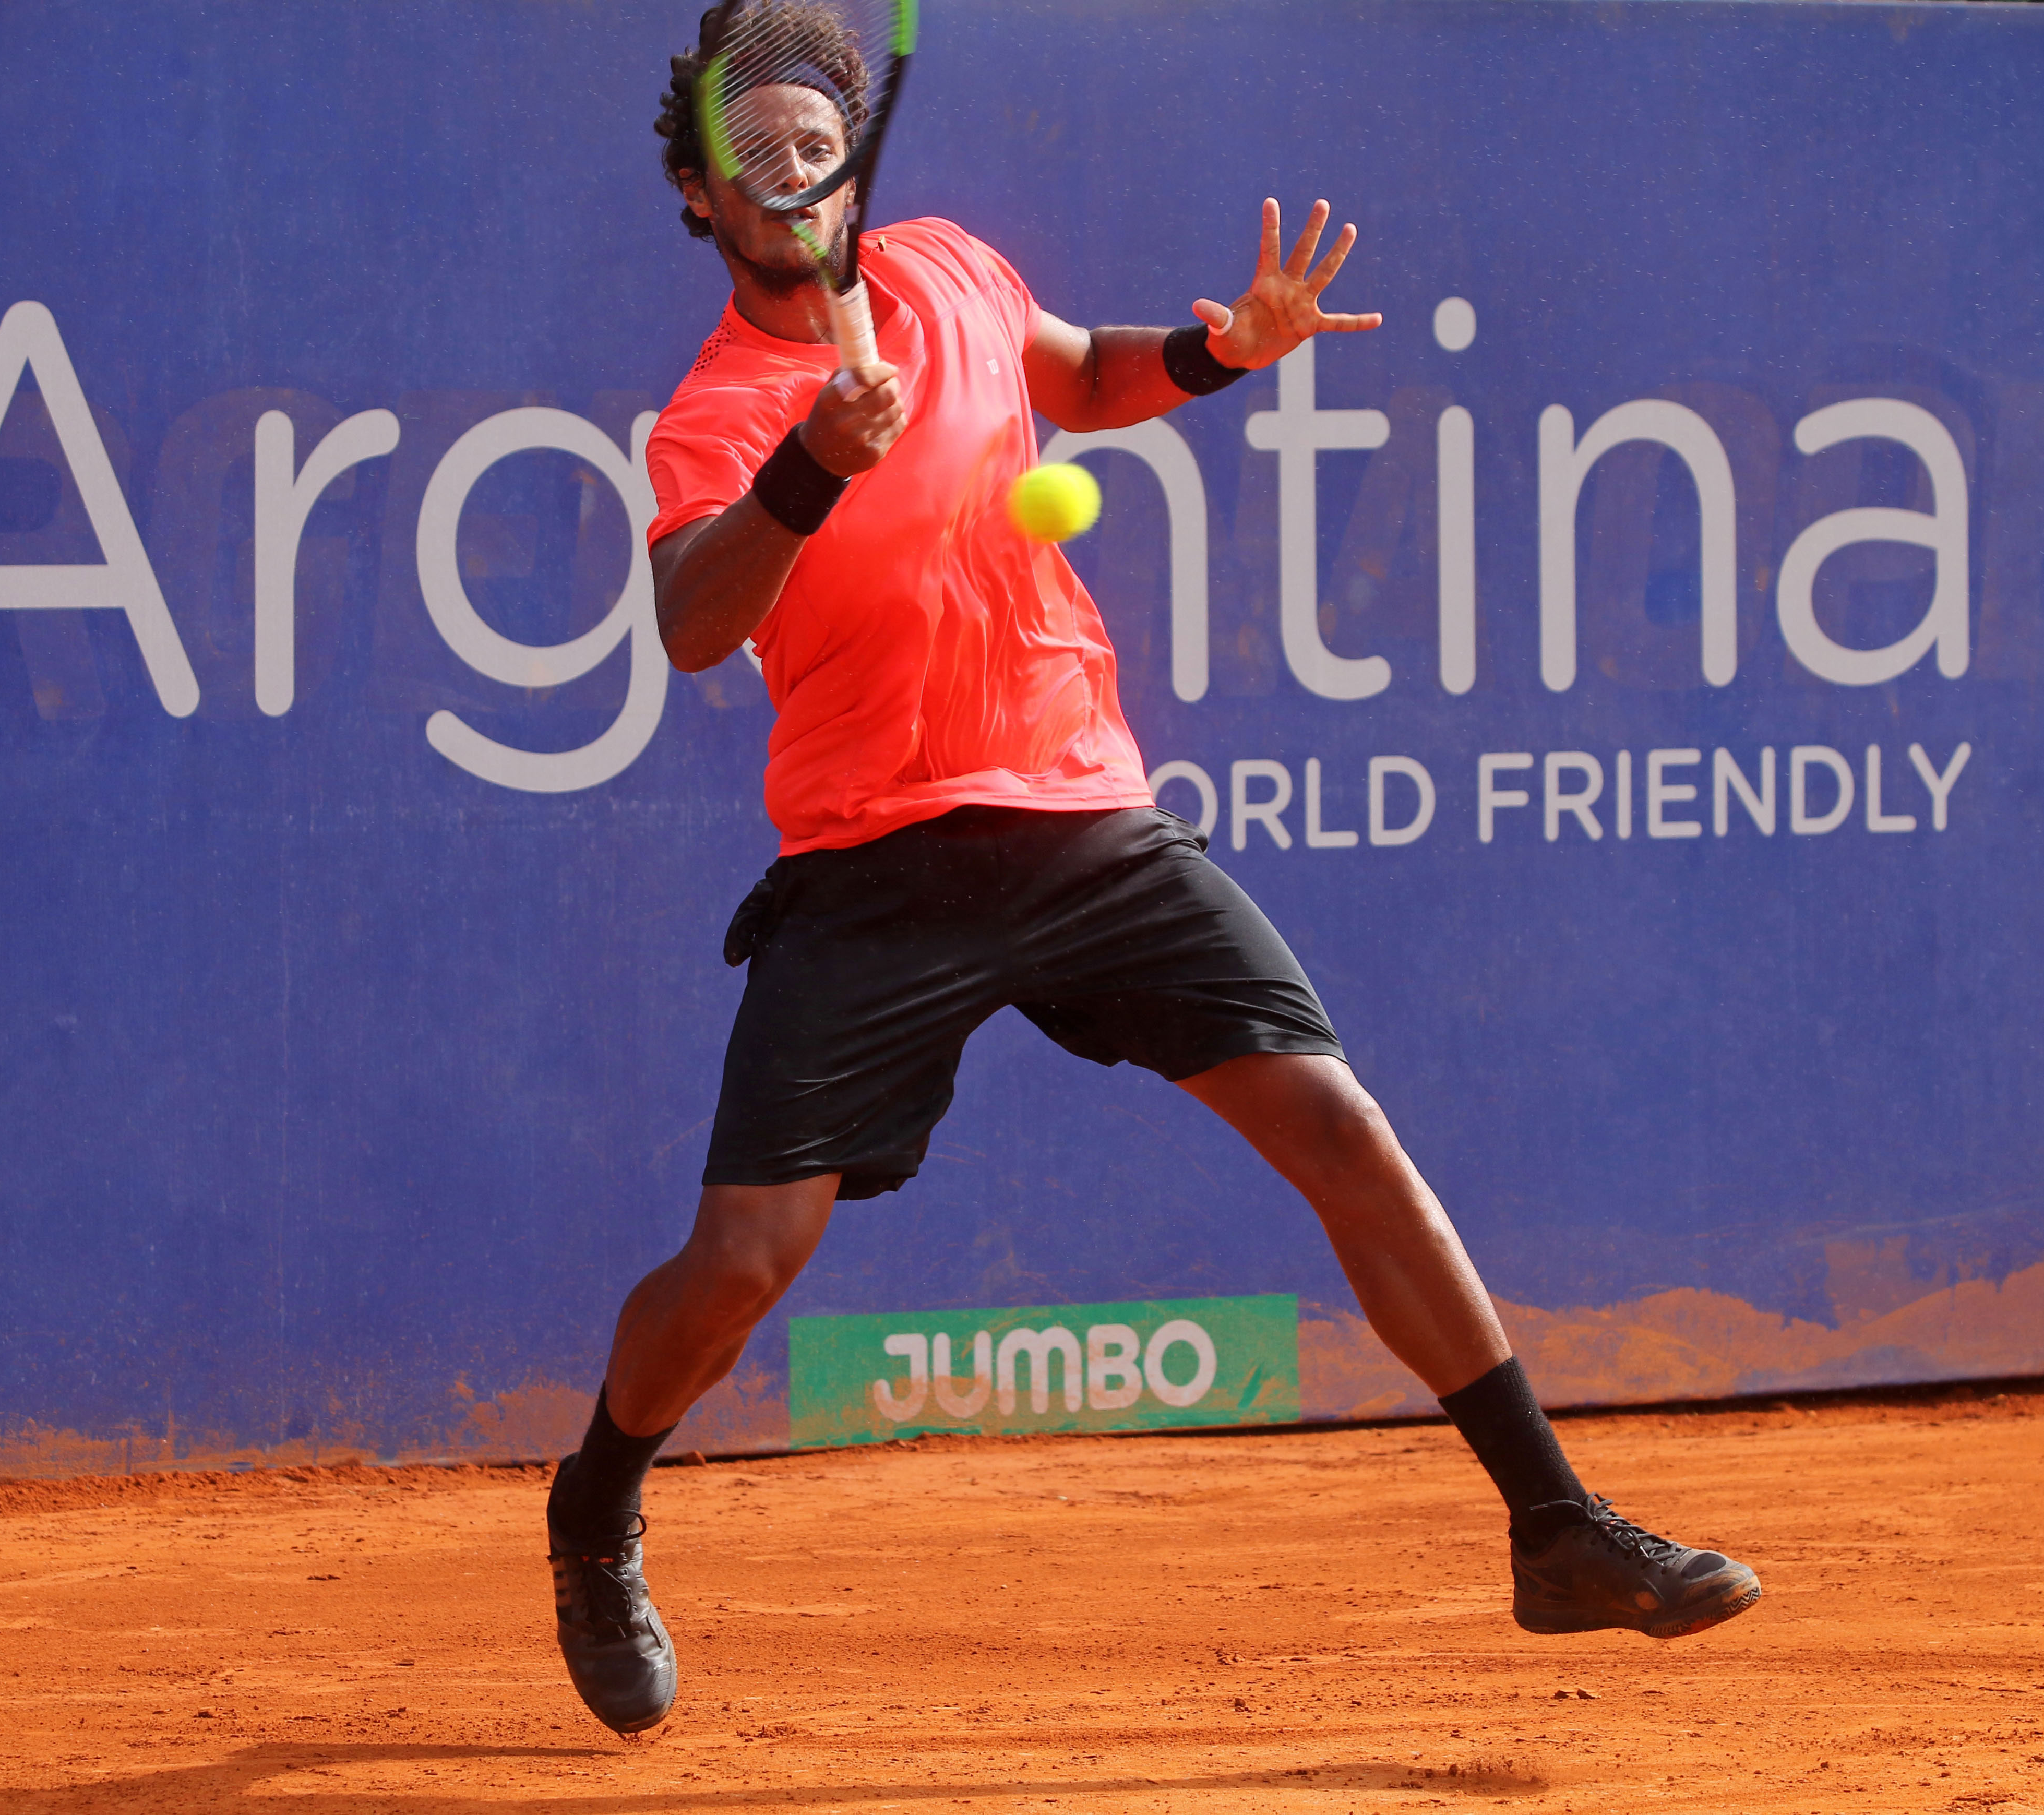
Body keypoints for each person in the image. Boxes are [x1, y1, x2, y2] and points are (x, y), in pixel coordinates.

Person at [546, 2, 1761, 1737]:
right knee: (743, 1262)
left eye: (819, 144)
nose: (796, 177)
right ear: (699, 198)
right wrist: (814, 468)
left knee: (1340, 1128)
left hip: (1079, 808)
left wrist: (1218, 352)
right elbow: (686, 625)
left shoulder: (954, 270)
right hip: (876, 859)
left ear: (850, 164)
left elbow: (1083, 376)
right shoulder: (721, 411)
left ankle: (1555, 1528)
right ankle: (594, 1510)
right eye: (759, 159)